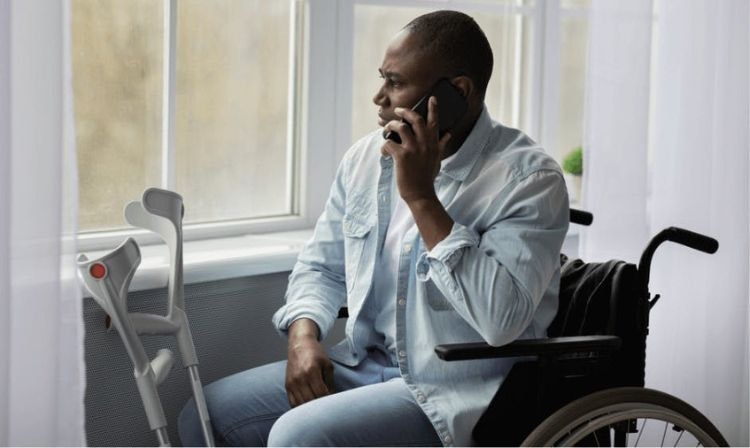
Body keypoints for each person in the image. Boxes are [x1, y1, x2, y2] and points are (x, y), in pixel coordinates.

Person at [178, 10, 568, 447]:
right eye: (382, 78)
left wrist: (422, 198)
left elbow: (501, 320)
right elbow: (321, 267)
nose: (379, 97)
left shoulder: (529, 181)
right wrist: (304, 337)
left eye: (396, 83)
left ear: (455, 93)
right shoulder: (367, 158)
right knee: (207, 415)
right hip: (363, 364)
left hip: (454, 389)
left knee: (298, 436)